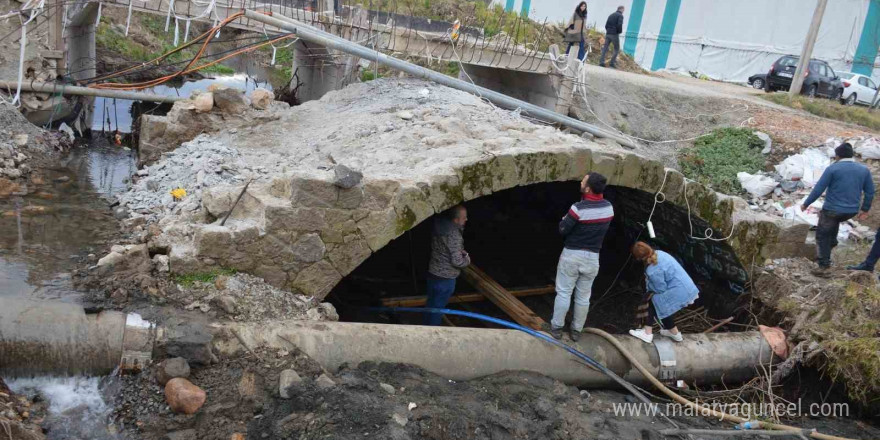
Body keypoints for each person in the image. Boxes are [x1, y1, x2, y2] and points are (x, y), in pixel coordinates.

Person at [550, 173, 613, 341]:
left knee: (563, 293)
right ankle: (576, 331)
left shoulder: (578, 208)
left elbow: (563, 230)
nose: (580, 181)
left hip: (572, 255)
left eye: (583, 181)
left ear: (587, 188)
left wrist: (565, 220)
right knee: (584, 297)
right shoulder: (609, 208)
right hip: (593, 258)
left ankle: (556, 328)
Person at [801, 143, 874, 276]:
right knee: (832, 226)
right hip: (851, 211)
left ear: (838, 156)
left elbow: (819, 189)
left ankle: (824, 267)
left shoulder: (833, 168)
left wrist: (806, 203)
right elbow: (870, 192)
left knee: (822, 234)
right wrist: (865, 209)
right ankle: (831, 247)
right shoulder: (864, 170)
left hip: (832, 210)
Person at [628, 242, 699, 344]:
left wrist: (649, 290)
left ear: (639, 258)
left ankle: (647, 333)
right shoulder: (660, 253)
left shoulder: (652, 270)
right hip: (687, 286)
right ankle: (675, 333)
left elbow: (660, 289)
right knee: (662, 305)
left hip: (679, 290)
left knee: (652, 301)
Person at [424, 205, 470, 326]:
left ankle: (424, 327)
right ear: (455, 220)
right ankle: (432, 333)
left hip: (433, 273)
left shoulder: (439, 225)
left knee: (431, 304)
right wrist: (466, 258)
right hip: (445, 278)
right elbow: (457, 261)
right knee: (438, 309)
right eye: (464, 217)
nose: (466, 219)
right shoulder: (453, 235)